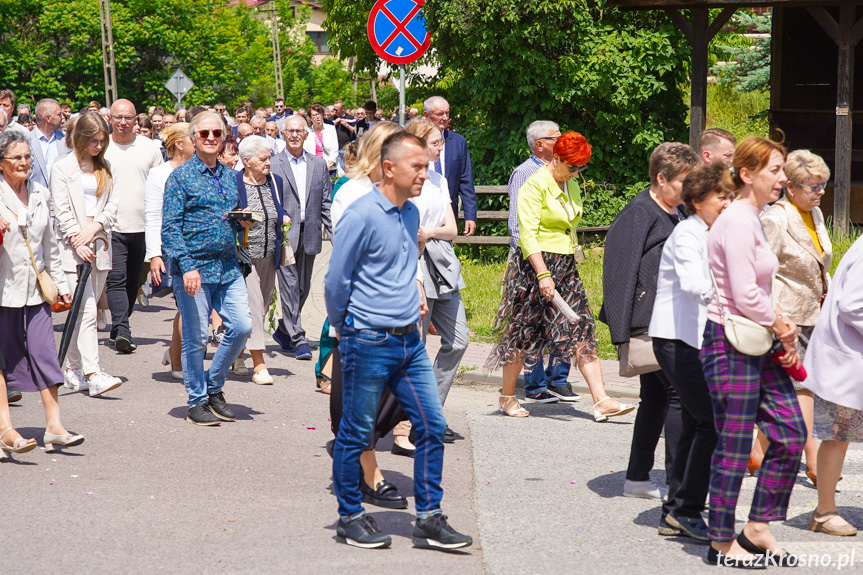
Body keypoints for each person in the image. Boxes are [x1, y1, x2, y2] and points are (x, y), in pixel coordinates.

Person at [326, 130, 472, 550]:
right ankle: (350, 516)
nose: (426, 173)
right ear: (389, 168)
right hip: (366, 340)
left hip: (409, 343)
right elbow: (337, 280)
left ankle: (428, 517)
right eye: (418, 166)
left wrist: (415, 302)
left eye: (427, 165)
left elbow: (406, 269)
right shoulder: (360, 213)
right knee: (356, 433)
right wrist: (347, 329)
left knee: (431, 426)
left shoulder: (411, 214)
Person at [700, 136, 804, 566]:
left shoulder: (753, 217)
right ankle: (721, 541)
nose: (782, 179)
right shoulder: (739, 219)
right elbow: (743, 293)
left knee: (791, 432)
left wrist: (779, 317)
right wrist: (783, 329)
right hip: (730, 342)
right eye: (774, 170)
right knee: (736, 443)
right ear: (746, 174)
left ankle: (758, 527)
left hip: (754, 340)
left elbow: (756, 286)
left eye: (782, 170)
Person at [486, 132, 634, 423]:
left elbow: (568, 224)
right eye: (573, 167)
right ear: (557, 158)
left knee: (582, 327)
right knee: (523, 334)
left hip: (565, 264)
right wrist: (542, 275)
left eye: (581, 168)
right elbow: (527, 235)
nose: (577, 173)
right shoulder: (534, 185)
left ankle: (601, 400)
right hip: (534, 266)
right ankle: (507, 396)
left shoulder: (571, 185)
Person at [600, 142, 698, 499]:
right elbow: (619, 273)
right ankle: (678, 488)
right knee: (676, 397)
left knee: (657, 398)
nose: (688, 191)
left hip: (670, 319)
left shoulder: (677, 211)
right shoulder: (640, 213)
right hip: (649, 322)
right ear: (661, 178)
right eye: (683, 183)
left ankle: (637, 478)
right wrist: (622, 333)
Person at [325, 123, 411, 511]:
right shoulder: (351, 193)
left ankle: (351, 448)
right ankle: (368, 474)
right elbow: (344, 267)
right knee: (362, 398)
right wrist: (341, 322)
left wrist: (419, 290)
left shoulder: (405, 194)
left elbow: (408, 247)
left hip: (403, 310)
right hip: (363, 315)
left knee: (397, 395)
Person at [647, 163, 733, 540]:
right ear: (697, 201)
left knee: (700, 423)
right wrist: (736, 300)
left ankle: (677, 507)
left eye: (732, 196)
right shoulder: (687, 234)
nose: (728, 203)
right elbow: (695, 283)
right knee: (709, 422)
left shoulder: (715, 231)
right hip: (676, 339)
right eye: (721, 197)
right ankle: (685, 508)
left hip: (700, 337)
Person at [161, 112, 253, 426]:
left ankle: (214, 386)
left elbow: (227, 216)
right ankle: (197, 400)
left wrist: (239, 220)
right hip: (194, 270)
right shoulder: (180, 177)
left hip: (227, 267)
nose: (211, 138)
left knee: (241, 328)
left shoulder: (229, 176)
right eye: (204, 134)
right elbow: (170, 229)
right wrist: (186, 267)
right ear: (193, 139)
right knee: (197, 337)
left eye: (217, 133)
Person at [753, 149, 833, 485]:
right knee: (803, 386)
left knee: (792, 387)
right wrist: (774, 311)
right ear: (791, 187)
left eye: (823, 185)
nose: (820, 192)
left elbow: (819, 263)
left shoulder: (814, 215)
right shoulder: (776, 218)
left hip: (814, 313)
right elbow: (760, 269)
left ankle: (755, 451)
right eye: (813, 186)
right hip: (785, 315)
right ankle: (813, 459)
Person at [0, 130, 84, 452]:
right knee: (3, 359)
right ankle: (6, 428)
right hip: (3, 289)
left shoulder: (39, 192)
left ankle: (54, 426)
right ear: (2, 164)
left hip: (35, 289)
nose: (24, 163)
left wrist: (61, 287)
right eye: (16, 158)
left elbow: (50, 244)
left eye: (27, 157)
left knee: (45, 351)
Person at [403, 116, 469, 442]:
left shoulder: (439, 181)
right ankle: (418, 422)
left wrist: (427, 232)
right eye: (436, 141)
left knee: (458, 340)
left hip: (442, 264)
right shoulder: (407, 180)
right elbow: (405, 231)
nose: (441, 146)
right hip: (413, 266)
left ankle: (430, 412)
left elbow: (452, 230)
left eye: (442, 141)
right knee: (416, 345)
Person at [50, 112, 123, 397]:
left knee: (84, 312)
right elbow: (60, 209)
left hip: (99, 243)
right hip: (71, 247)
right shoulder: (62, 166)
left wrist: (93, 228)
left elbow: (112, 206)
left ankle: (71, 368)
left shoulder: (106, 166)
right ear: (80, 137)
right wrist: (76, 238)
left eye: (103, 141)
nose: (98, 146)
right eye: (93, 140)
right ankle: (94, 374)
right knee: (88, 310)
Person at [507, 120, 579, 402]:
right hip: (534, 261)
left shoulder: (566, 172)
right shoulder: (524, 173)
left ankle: (558, 379)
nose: (562, 140)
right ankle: (535, 384)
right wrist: (530, 265)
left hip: (562, 257)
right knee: (534, 324)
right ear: (540, 144)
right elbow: (519, 225)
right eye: (556, 137)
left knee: (565, 319)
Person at [802, 235, 863, 537]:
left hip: (853, 359)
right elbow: (853, 305)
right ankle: (824, 512)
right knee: (838, 435)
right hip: (847, 361)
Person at [269, 115, 332, 360]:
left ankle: (284, 331)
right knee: (290, 286)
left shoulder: (318, 165)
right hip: (284, 236)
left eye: (299, 131)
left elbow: (325, 202)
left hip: (311, 234)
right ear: (283, 134)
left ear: (307, 134)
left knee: (303, 287)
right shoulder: (274, 164)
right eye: (290, 131)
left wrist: (335, 236)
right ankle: (298, 338)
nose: (294, 135)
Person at [103, 99, 164, 353]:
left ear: (135, 119)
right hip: (112, 225)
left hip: (143, 225)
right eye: (118, 117)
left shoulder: (150, 148)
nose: (123, 122)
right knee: (116, 279)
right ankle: (123, 329)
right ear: (110, 119)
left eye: (128, 118)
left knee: (132, 282)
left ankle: (119, 326)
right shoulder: (101, 147)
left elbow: (161, 186)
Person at [234, 135, 290, 385]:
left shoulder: (275, 183)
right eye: (263, 158)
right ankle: (260, 365)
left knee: (263, 304)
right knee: (254, 308)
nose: (269, 162)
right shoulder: (233, 183)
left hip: (269, 255)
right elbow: (224, 216)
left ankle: (238, 354)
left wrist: (285, 216)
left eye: (269, 158)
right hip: (243, 256)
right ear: (246, 161)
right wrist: (238, 218)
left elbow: (278, 210)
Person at [144, 122, 194, 380]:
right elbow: (153, 216)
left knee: (190, 305)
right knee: (188, 304)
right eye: (193, 137)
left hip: (200, 247)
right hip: (172, 249)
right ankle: (180, 360)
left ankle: (176, 354)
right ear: (179, 144)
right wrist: (154, 254)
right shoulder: (159, 174)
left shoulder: (201, 170)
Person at [423, 96, 476, 236]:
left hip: (448, 216)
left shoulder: (458, 142)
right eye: (440, 114)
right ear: (426, 115)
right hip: (422, 214)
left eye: (447, 113)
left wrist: (470, 215)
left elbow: (466, 180)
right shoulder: (414, 140)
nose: (445, 118)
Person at [28, 98, 69, 189]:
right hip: (37, 197)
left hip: (62, 197)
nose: (62, 117)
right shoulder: (26, 141)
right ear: (48, 118)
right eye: (59, 114)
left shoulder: (66, 139)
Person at [303, 104, 338, 174]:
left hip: (329, 168)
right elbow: (305, 151)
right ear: (310, 118)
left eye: (319, 114)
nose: (317, 117)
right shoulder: (307, 131)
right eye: (314, 115)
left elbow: (335, 150)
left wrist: (328, 166)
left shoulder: (331, 129)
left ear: (322, 115)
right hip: (313, 168)